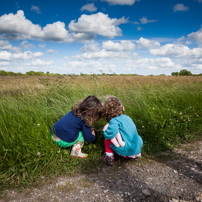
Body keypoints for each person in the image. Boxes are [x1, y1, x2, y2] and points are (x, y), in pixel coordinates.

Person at [101, 96, 143, 165]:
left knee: (108, 137)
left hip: (126, 153)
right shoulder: (128, 118)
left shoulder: (114, 121)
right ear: (123, 108)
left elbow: (111, 133)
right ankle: (136, 155)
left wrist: (105, 132)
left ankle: (109, 157)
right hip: (137, 149)